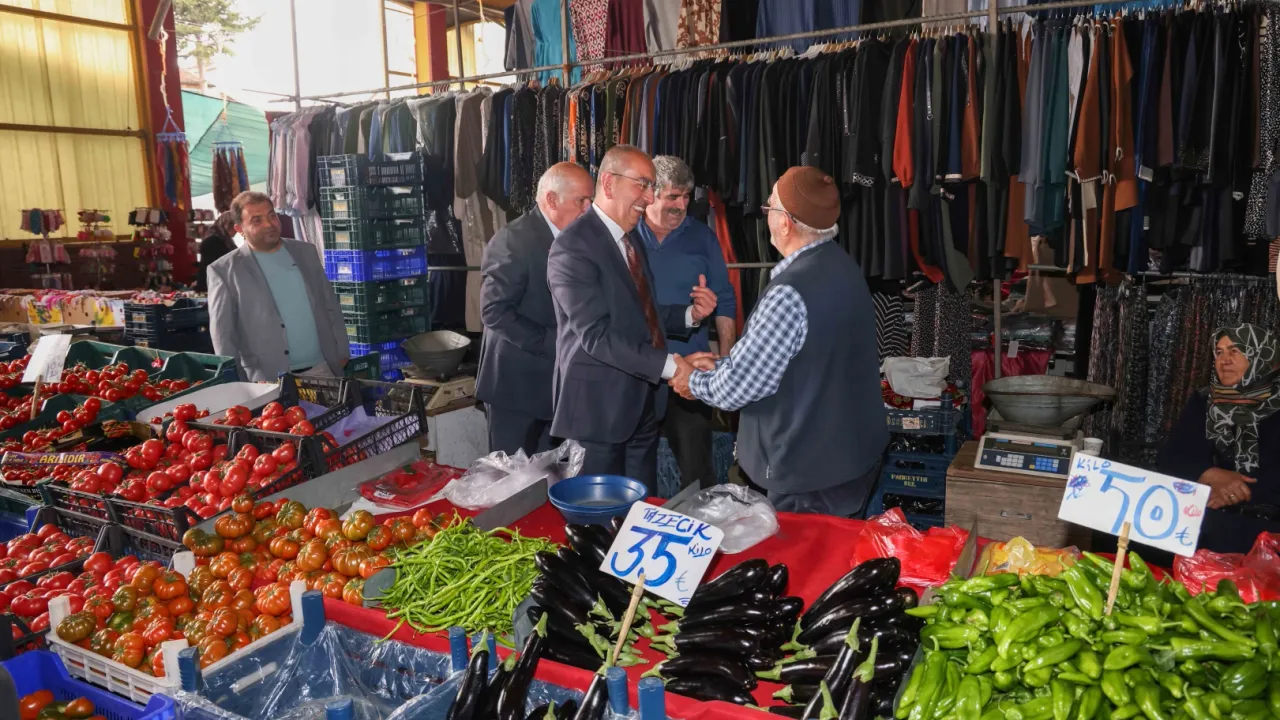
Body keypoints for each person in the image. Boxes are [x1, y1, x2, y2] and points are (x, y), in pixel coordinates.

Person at [669, 166, 888, 516]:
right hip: (851, 457)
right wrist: (724, 364)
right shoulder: (841, 265)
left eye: (768, 207)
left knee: (803, 551)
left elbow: (737, 389)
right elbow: (805, 358)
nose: (765, 215)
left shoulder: (790, 292)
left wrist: (691, 380)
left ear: (785, 223)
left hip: (809, 473)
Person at [547, 145, 719, 494]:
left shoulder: (629, 240)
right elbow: (597, 336)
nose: (649, 197)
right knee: (599, 517)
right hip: (599, 412)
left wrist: (689, 315)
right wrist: (673, 367)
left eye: (652, 187)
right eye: (642, 184)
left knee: (641, 511)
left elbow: (642, 313)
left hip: (642, 405)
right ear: (609, 184)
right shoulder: (573, 246)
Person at [477, 162, 594, 456]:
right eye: (581, 200)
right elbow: (494, 310)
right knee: (513, 477)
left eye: (590, 200)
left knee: (554, 474)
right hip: (516, 388)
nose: (588, 209)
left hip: (559, 386)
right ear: (551, 200)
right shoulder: (514, 239)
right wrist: (554, 342)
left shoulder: (579, 240)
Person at [636, 156, 737, 491]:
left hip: (691, 374)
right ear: (651, 193)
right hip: (638, 369)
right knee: (636, 469)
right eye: (673, 197)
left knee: (698, 472)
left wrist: (727, 362)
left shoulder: (702, 237)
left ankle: (701, 522)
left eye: (686, 197)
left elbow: (725, 298)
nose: (681, 205)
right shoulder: (627, 234)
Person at [1156, 323, 1280, 554]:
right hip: (1214, 528)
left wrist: (1237, 490)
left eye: (1235, 351)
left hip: (1272, 533)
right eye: (1219, 352)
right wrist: (1209, 474)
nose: (1225, 360)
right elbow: (1171, 458)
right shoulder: (1205, 401)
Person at [208, 191, 349, 382]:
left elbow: (329, 303)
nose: (269, 224)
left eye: (271, 215)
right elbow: (223, 335)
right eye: (257, 220)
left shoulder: (306, 252)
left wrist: (341, 349)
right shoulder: (223, 270)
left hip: (322, 368)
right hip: (266, 377)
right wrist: (239, 380)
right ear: (240, 228)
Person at [195, 211, 237, 293]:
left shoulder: (223, 239)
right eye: (235, 227)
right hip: (213, 286)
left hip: (216, 285)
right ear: (227, 225)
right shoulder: (214, 241)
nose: (237, 230)